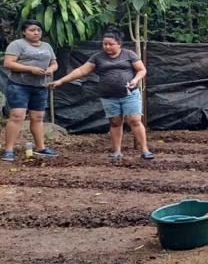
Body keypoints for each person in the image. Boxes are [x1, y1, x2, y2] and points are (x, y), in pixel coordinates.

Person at [46, 30, 154, 160]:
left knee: (134, 120)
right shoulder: (98, 57)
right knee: (115, 122)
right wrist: (61, 81)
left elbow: (142, 70)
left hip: (130, 93)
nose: (107, 47)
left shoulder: (129, 54)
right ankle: (116, 151)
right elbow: (81, 71)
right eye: (105, 44)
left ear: (119, 44)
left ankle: (145, 150)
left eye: (111, 44)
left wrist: (136, 80)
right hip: (108, 96)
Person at [2, 20, 59, 161]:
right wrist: (30, 69)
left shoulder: (47, 46)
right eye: (32, 30)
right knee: (17, 115)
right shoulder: (17, 44)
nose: (36, 32)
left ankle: (41, 148)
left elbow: (54, 62)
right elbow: (8, 63)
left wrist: (51, 69)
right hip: (19, 85)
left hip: (40, 86)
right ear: (24, 31)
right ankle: (8, 150)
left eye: (38, 30)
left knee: (38, 117)